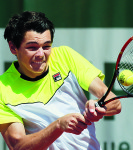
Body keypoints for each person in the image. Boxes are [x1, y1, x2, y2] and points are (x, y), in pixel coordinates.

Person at [0, 11, 121, 150]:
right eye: (32, 48)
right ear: (13, 47)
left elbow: (115, 103)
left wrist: (98, 106)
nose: (41, 54)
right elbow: (19, 146)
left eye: (46, 46)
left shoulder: (65, 56)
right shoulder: (2, 89)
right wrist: (58, 126)